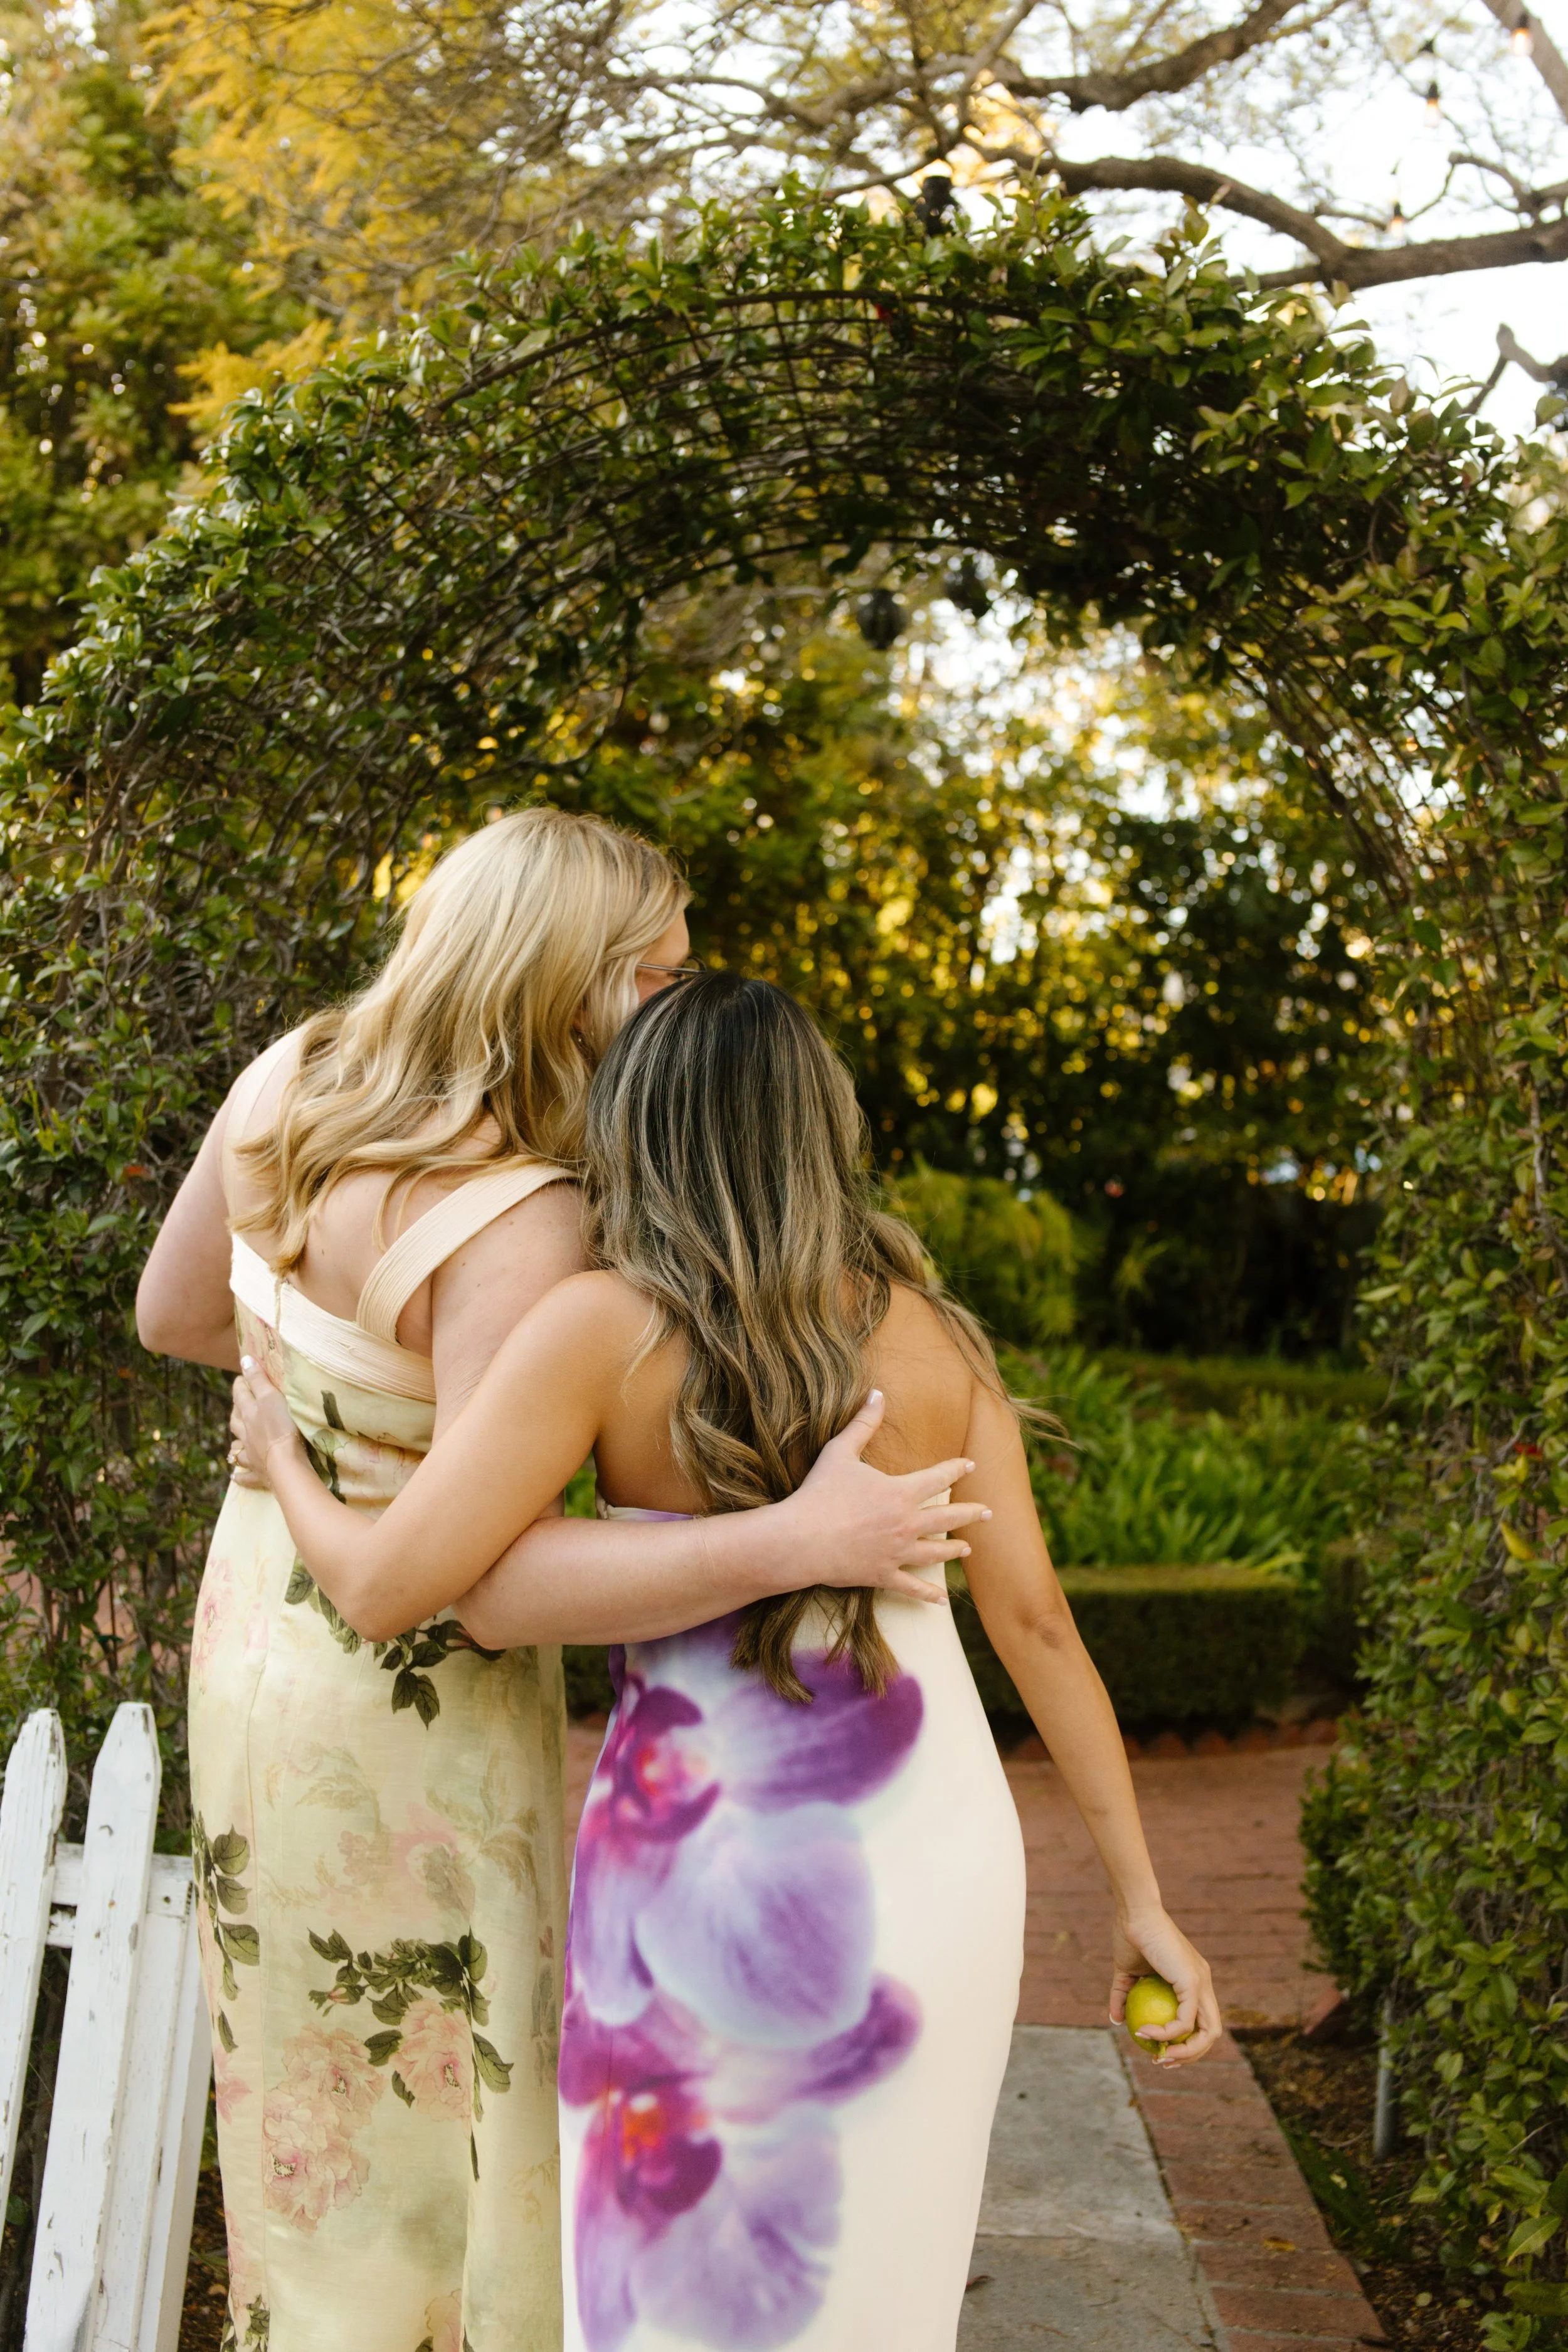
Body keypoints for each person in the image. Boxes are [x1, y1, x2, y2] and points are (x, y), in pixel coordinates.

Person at [230, 971, 1224, 2352]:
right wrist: (1139, 1896)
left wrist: (290, 1468)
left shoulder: (601, 1328)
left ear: (638, 1123)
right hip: (933, 1871)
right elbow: (1038, 1628)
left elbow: (417, 1587)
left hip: (693, 1886)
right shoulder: (932, 1338)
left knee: (662, 2296)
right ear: (822, 1129)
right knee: (883, 2285)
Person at [139, 812, 976, 2352]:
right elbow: (492, 1575)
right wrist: (792, 1535)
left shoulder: (288, 1078)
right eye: (654, 973)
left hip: (254, 1628)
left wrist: (310, 1423)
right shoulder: (529, 1217)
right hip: (415, 1702)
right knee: (457, 2078)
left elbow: (174, 1315)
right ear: (561, 983)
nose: (675, 1000)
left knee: (297, 2069)